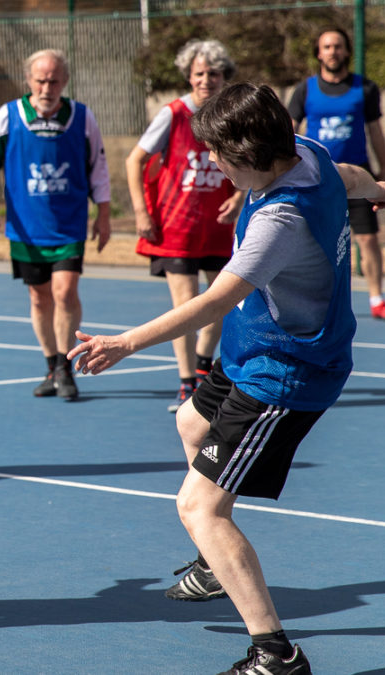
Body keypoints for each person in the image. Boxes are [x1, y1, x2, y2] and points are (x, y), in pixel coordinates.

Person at [68, 82, 385, 674]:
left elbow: (212, 301)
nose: (212, 162)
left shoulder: (281, 220)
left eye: (218, 153)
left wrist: (125, 343)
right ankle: (215, 561)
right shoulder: (304, 151)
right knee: (192, 420)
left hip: (286, 373)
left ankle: (276, 654)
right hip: (252, 348)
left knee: (199, 507)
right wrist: (379, 189)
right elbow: (348, 175)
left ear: (248, 152)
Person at [0, 48, 111, 402]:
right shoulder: (9, 115)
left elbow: (99, 169)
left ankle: (65, 367)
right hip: (26, 227)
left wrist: (104, 215)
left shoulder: (81, 116)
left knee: (65, 292)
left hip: (69, 224)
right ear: (29, 80)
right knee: (39, 297)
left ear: (65, 81)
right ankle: (51, 365)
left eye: (54, 80)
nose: (47, 87)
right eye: (40, 80)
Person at [124, 39, 244, 413]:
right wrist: (142, 213)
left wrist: (239, 198)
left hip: (217, 227)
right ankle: (185, 382)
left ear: (224, 77)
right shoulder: (174, 114)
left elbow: (254, 165)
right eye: (199, 74)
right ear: (188, 77)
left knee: (222, 303)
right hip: (176, 228)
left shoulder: (232, 116)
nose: (206, 80)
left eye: (213, 73)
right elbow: (134, 161)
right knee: (185, 306)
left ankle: (204, 366)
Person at [288, 26, 385, 321]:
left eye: (338, 46)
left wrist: (383, 169)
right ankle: (315, 301)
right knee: (315, 240)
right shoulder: (305, 90)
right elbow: (289, 132)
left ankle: (376, 298)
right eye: (326, 46)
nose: (332, 52)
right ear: (318, 53)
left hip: (358, 176)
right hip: (317, 178)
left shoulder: (364, 89)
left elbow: (375, 130)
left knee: (367, 239)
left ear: (347, 51)